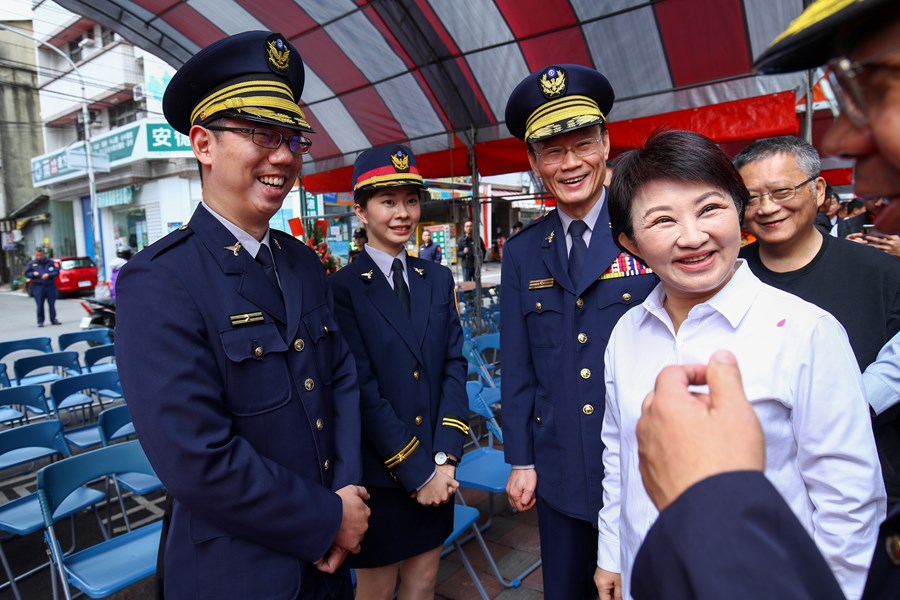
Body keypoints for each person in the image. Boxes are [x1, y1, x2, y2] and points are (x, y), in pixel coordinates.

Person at [631, 1, 900, 597]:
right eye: (753, 197)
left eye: (881, 85)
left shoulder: (825, 313)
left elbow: (848, 502)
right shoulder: (637, 326)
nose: (848, 136)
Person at [115, 31, 369, 599]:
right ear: (203, 144)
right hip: (240, 572)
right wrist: (326, 518)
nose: (283, 156)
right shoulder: (159, 281)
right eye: (261, 134)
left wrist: (348, 493)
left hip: (330, 561)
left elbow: (340, 379)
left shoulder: (301, 261)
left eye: (293, 138)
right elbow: (196, 458)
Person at [593, 129, 884, 600]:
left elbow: (849, 503)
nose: (694, 236)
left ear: (738, 211)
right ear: (631, 244)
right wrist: (612, 553)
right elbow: (618, 454)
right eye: (663, 220)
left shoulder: (806, 331)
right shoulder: (626, 332)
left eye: (710, 208)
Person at [500, 64, 658, 599]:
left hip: (642, 463)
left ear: (606, 142)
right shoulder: (522, 252)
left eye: (582, 144)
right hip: (560, 464)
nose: (570, 163)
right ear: (533, 161)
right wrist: (520, 458)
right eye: (552, 150)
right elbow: (517, 365)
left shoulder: (647, 230)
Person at [329, 145, 467, 599]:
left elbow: (453, 365)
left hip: (435, 462)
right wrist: (418, 473)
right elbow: (360, 390)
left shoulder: (437, 278)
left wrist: (445, 457)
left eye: (410, 200)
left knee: (424, 581)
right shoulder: (342, 289)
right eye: (387, 201)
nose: (402, 213)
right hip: (382, 473)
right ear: (361, 211)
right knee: (376, 588)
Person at [733, 136, 900, 501]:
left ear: (819, 189)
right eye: (752, 198)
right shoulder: (730, 280)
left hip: (871, 478)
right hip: (765, 487)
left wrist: (858, 404)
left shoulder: (882, 273)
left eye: (781, 191)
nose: (767, 208)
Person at [25, 247, 60, 327]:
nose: (39, 257)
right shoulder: (32, 263)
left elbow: (56, 271)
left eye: (40, 255)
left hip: (50, 285)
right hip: (38, 286)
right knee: (40, 304)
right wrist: (33, 274)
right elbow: (27, 273)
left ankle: (53, 319)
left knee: (52, 304)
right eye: (37, 255)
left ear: (44, 254)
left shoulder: (51, 262)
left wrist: (49, 275)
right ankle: (40, 321)